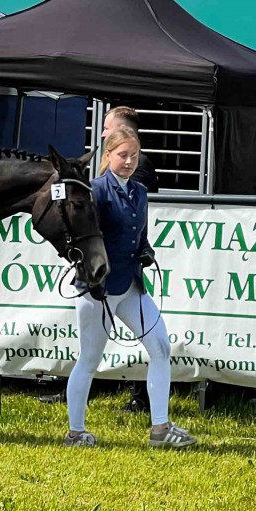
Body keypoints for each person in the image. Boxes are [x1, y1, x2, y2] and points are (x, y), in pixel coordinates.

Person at [64, 126, 197, 449]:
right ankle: (75, 431)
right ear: (108, 155)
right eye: (122, 155)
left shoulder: (138, 192)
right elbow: (82, 236)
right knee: (90, 359)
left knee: (162, 347)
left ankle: (160, 428)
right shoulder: (94, 190)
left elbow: (139, 233)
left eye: (133, 156)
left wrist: (146, 249)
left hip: (131, 285)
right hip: (98, 289)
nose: (128, 161)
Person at [101, 105, 161, 414]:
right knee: (90, 353)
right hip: (104, 278)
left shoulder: (139, 173)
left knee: (157, 344)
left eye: (107, 128)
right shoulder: (101, 183)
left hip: (129, 276)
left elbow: (133, 219)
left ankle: (147, 403)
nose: (102, 133)